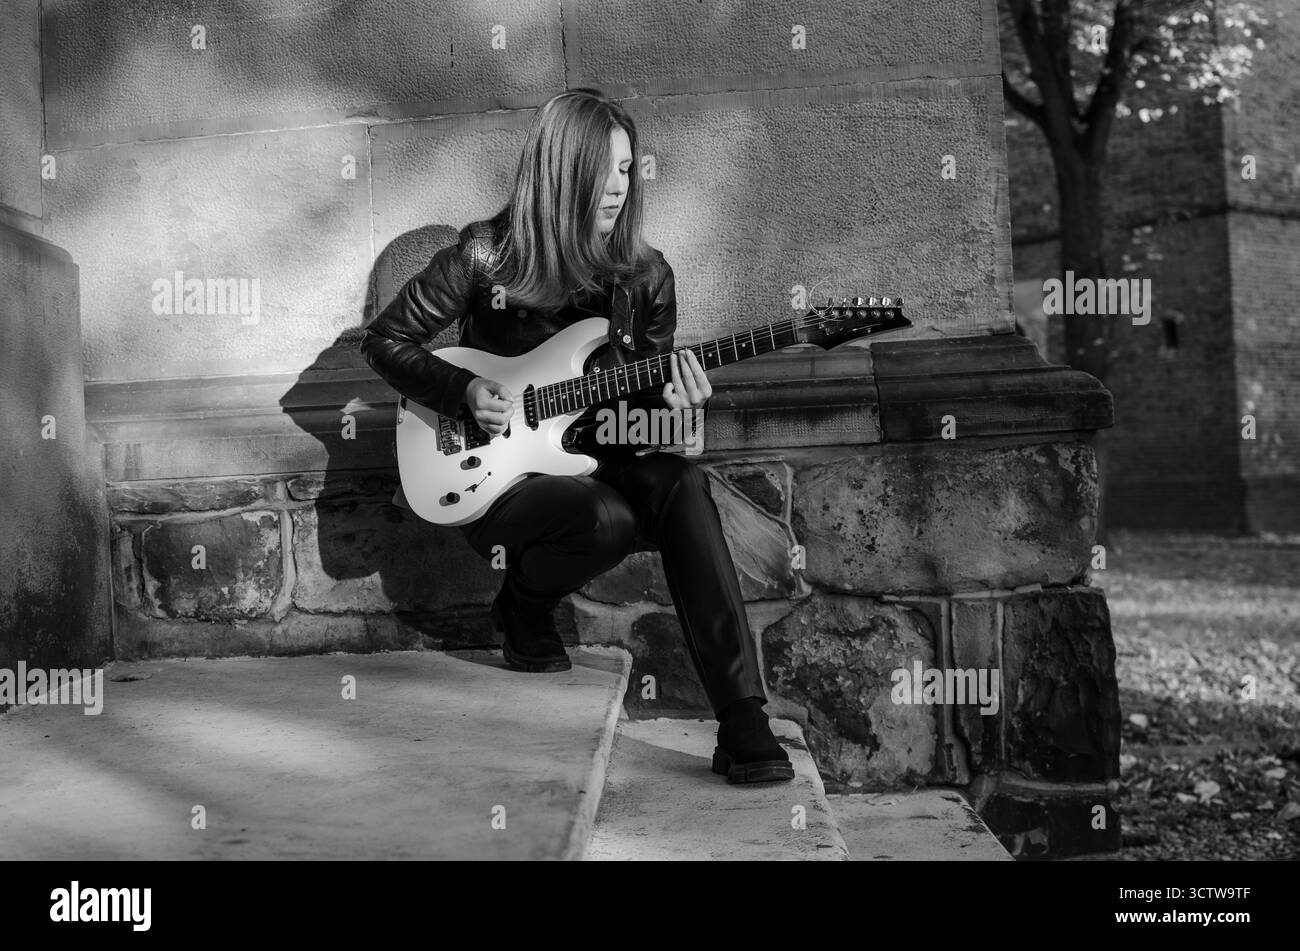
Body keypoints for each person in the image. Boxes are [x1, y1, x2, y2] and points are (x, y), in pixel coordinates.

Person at [360, 88, 792, 784]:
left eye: (628, 170)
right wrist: (463, 390)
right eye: (605, 169)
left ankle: (743, 717)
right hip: (500, 476)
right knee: (604, 517)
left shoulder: (645, 279)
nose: (620, 187)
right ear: (563, 169)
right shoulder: (484, 256)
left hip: (605, 456)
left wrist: (681, 419)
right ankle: (523, 605)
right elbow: (385, 341)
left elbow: (646, 415)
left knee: (683, 483)